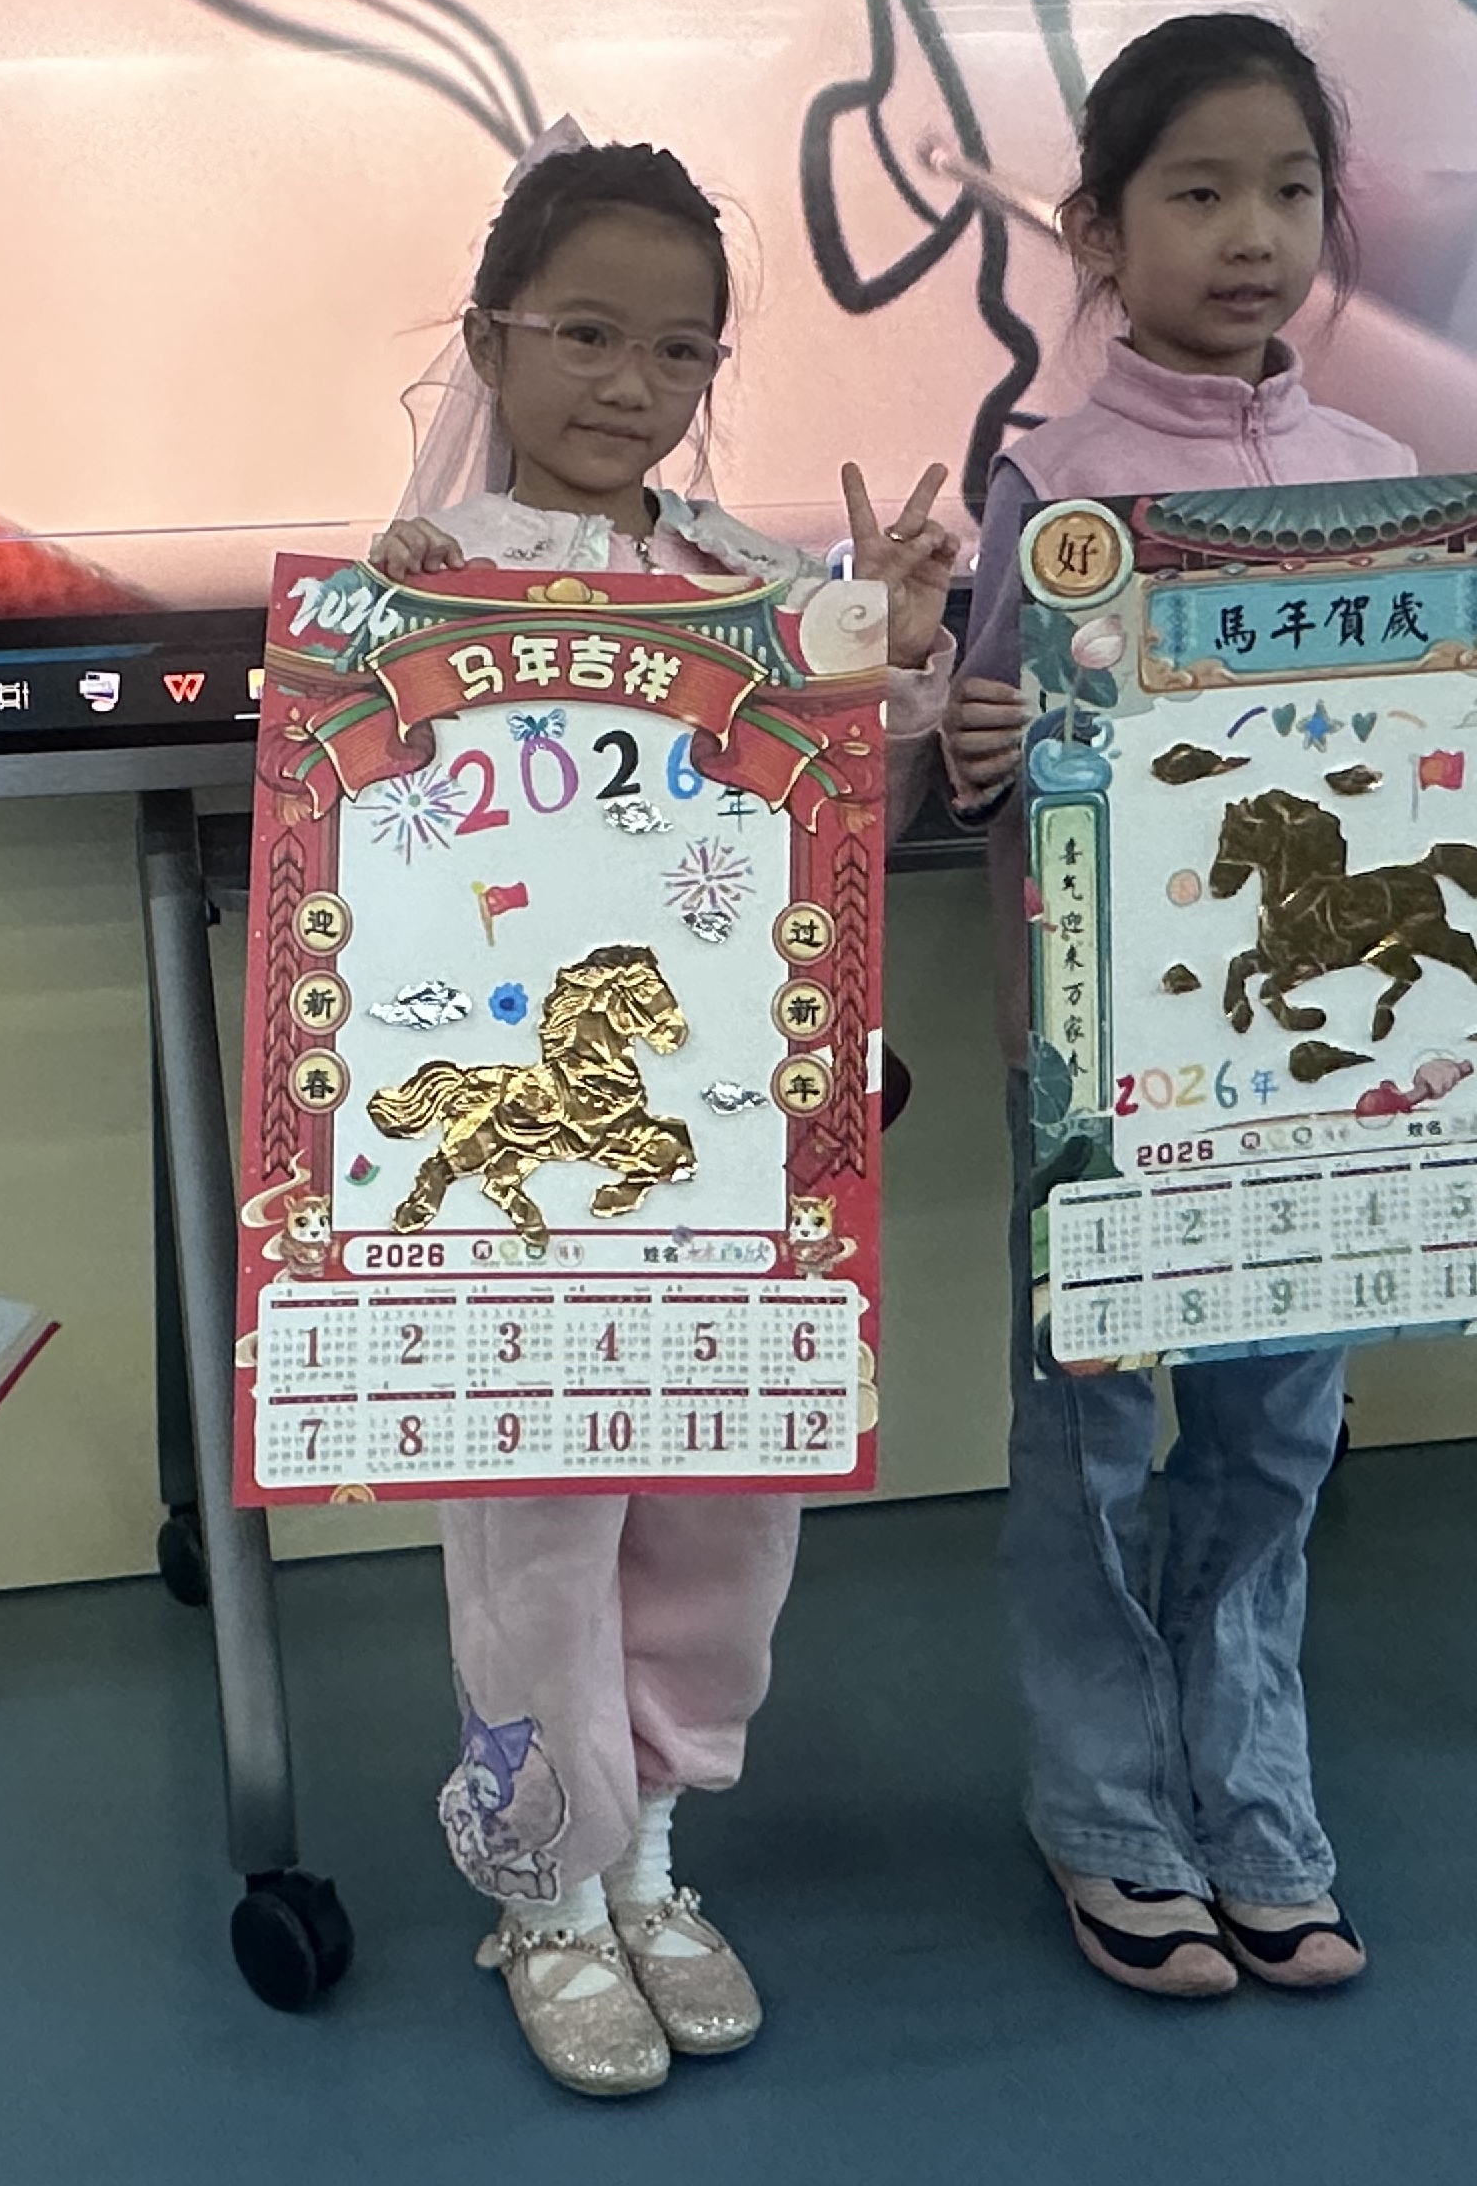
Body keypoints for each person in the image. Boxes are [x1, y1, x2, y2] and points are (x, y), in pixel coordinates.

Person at [941, 12, 1477, 2001]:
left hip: (1339, 1078)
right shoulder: (1053, 487)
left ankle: (1254, 1791)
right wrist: (973, 738)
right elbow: (984, 753)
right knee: (1095, 1436)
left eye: (1287, 191)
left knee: (1279, 1439)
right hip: (1113, 1083)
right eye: (1197, 191)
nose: (1251, 234)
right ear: (1099, 231)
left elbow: (1464, 745)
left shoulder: (1384, 478)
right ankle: (1107, 1805)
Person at [364, 132, 958, 2098]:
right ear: (488, 339)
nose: (630, 383)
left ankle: (656, 1853)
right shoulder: (415, 584)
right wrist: (372, 647)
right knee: (538, 1526)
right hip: (516, 1199)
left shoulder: (754, 587)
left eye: (680, 349)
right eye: (585, 334)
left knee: (722, 1511)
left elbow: (841, 825)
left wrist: (885, 640)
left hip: (727, 1153)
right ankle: (547, 1885)